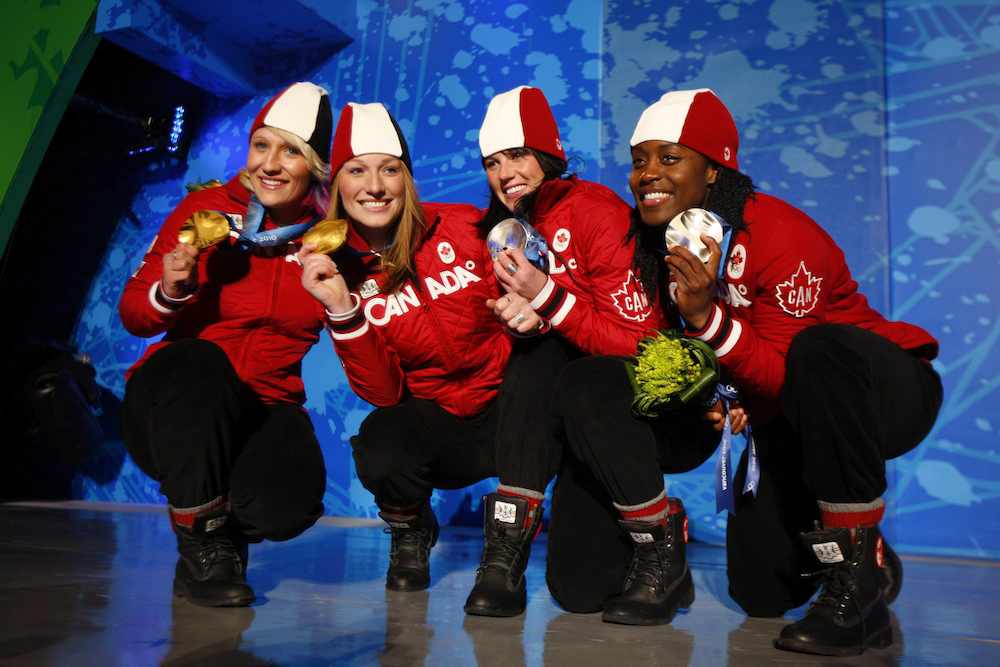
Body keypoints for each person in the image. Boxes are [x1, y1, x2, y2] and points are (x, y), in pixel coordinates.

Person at [629, 88, 941, 654]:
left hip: (884, 394)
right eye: (639, 159)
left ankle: (857, 586)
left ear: (714, 170)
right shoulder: (657, 245)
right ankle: (868, 549)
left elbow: (789, 377)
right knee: (758, 590)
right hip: (787, 417)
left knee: (817, 351)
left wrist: (706, 317)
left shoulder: (779, 235)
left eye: (669, 157)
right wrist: (712, 393)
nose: (647, 173)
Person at [476, 85, 733, 625]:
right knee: (578, 591)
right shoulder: (508, 235)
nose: (505, 174)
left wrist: (547, 300)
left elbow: (646, 349)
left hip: (664, 409)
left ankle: (659, 545)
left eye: (518, 155)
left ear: (549, 155)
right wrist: (524, 321)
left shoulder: (592, 211)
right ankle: (504, 555)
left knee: (560, 359)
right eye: (492, 162)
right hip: (585, 421)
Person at [298, 101, 555, 617]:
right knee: (379, 440)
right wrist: (343, 309)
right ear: (337, 188)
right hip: (441, 424)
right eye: (356, 171)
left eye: (389, 169)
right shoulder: (339, 270)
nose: (374, 186)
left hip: (515, 412)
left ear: (407, 179)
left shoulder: (467, 228)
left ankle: (504, 560)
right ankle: (411, 527)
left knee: (544, 367)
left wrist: (530, 308)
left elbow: (543, 292)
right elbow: (385, 394)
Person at [119, 82, 334, 606]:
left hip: (259, 409)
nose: (271, 163)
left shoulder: (330, 237)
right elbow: (134, 315)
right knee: (200, 359)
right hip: (173, 407)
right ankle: (202, 542)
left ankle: (218, 533)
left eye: (290, 151)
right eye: (262, 145)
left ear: (315, 165)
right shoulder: (207, 209)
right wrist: (170, 291)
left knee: (291, 502)